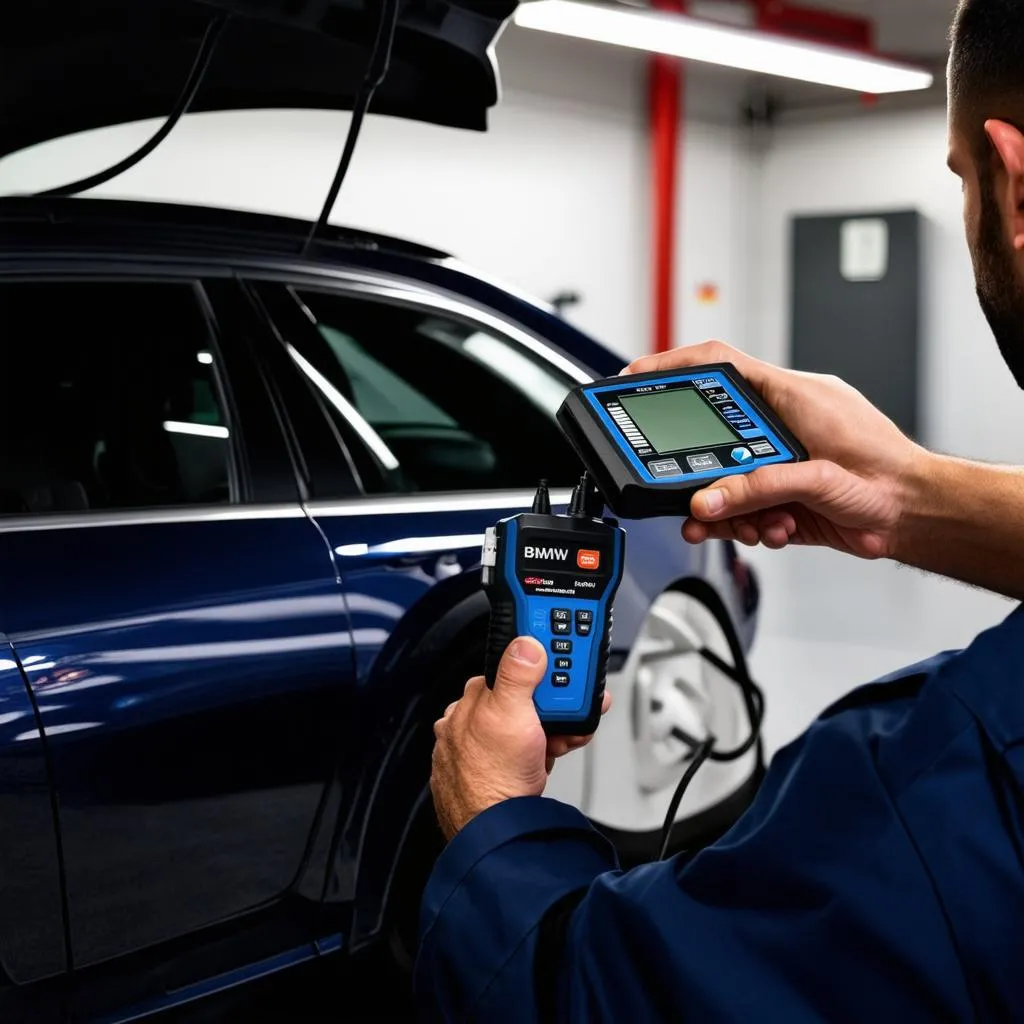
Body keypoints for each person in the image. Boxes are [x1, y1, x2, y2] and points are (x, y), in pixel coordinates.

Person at [417, 1, 1024, 1019]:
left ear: (1013, 185)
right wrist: (908, 497)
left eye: (958, 177)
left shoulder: (937, 789)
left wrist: (491, 822)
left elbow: (577, 994)